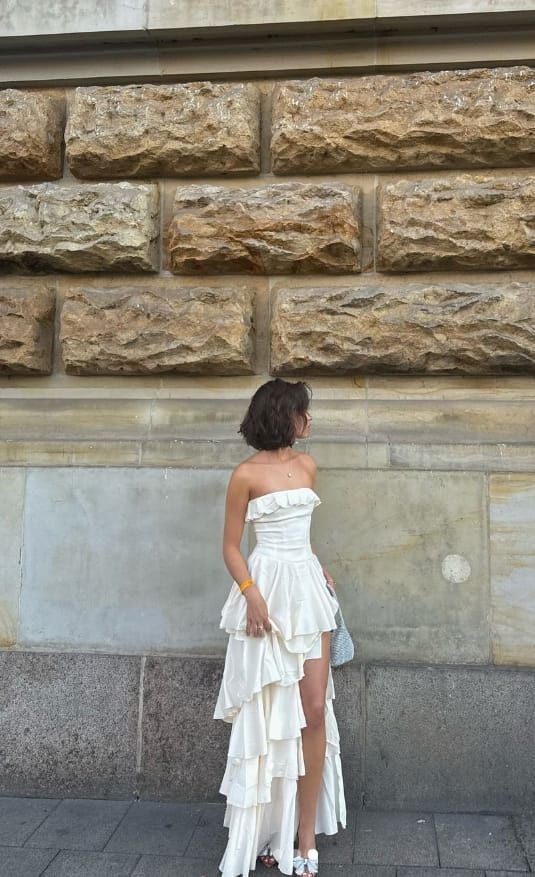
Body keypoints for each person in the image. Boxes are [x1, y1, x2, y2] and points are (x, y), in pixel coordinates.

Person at [213, 378, 347, 877]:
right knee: (270, 717)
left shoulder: (308, 466)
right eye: (303, 412)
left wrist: (317, 565)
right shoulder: (245, 474)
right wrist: (251, 594)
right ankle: (271, 831)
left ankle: (305, 835)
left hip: (308, 593)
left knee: (314, 710)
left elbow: (300, 535)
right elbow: (230, 547)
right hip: (265, 594)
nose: (309, 420)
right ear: (283, 415)